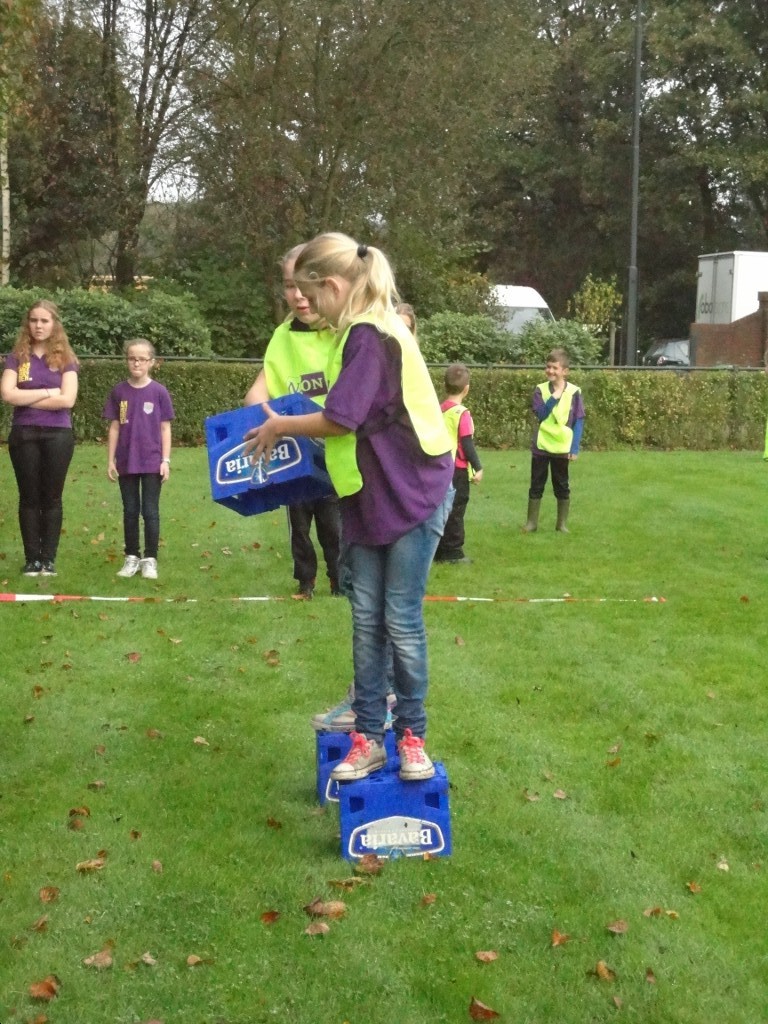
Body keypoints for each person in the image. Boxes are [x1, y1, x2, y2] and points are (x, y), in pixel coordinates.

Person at [244, 232, 454, 782]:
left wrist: (280, 426)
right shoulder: (353, 333)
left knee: (400, 620)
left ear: (335, 286)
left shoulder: (369, 334)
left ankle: (411, 737)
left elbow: (341, 418)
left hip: (413, 493)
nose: (305, 303)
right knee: (366, 621)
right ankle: (367, 738)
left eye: (312, 293)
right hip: (370, 493)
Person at [245, 244, 341, 599]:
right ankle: (306, 581)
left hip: (339, 451)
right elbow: (256, 393)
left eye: (306, 285)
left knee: (334, 525)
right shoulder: (282, 336)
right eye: (290, 285)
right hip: (295, 449)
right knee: (299, 523)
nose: (299, 295)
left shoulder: (346, 331)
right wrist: (269, 419)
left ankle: (340, 579)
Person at [1, 300, 79, 577]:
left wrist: (27, 396)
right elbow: (8, 394)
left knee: (52, 498)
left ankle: (48, 559)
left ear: (54, 324)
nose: (38, 325)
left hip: (58, 435)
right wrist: (48, 392)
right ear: (28, 323)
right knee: (29, 498)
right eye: (34, 320)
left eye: (44, 320)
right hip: (24, 433)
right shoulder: (17, 358)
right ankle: (32, 559)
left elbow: (67, 399)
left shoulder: (66, 359)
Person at [103, 339, 174, 580]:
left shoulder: (159, 392)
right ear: (127, 360)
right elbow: (115, 427)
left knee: (150, 511)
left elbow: (165, 428)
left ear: (151, 362)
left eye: (142, 359)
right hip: (126, 461)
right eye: (132, 358)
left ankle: (150, 559)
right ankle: (131, 556)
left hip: (152, 461)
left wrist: (165, 460)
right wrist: (111, 460)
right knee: (130, 510)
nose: (136, 363)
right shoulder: (119, 392)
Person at [523, 347, 585, 533]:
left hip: (562, 447)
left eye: (554, 368)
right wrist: (555, 397)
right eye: (548, 367)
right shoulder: (540, 390)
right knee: (536, 484)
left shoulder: (574, 392)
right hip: (541, 446)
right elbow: (541, 414)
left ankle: (561, 524)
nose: (550, 371)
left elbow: (579, 420)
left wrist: (574, 448)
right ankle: (531, 523)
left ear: (565, 371)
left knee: (562, 485)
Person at [434, 363, 483, 563]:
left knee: (440, 509)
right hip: (457, 470)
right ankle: (453, 551)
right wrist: (478, 467)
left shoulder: (438, 410)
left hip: (439, 467)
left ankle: (437, 548)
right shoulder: (462, 413)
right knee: (456, 509)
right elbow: (467, 444)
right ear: (466, 389)